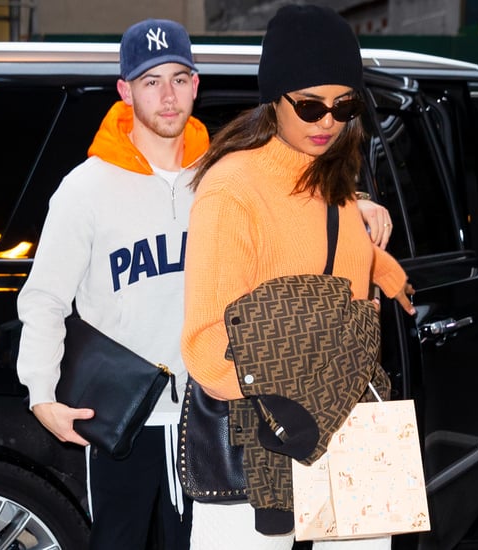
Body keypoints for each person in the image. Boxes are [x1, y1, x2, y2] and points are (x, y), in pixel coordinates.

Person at [180, 4, 416, 550]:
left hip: (352, 414)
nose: (327, 122)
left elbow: (327, 259)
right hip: (264, 426)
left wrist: (386, 270)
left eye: (344, 105)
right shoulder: (232, 189)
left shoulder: (334, 180)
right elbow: (205, 344)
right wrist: (285, 401)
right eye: (309, 106)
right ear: (274, 99)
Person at [16, 18, 209, 549]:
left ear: (196, 83)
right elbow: (45, 298)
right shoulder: (86, 188)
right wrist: (41, 393)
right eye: (150, 81)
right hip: (125, 420)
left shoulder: (224, 176)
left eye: (178, 78)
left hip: (212, 416)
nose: (167, 96)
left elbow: (300, 191)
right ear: (125, 91)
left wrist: (359, 203)